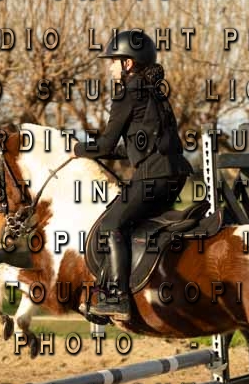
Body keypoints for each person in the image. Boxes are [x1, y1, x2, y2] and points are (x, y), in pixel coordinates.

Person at [73, 29, 194, 321]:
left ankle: (117, 297)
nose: (110, 68)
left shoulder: (127, 92)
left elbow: (105, 145)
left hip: (153, 177)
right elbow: (132, 148)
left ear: (128, 63)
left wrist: (76, 149)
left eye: (114, 61)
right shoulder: (154, 92)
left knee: (111, 225)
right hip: (175, 175)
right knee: (133, 224)